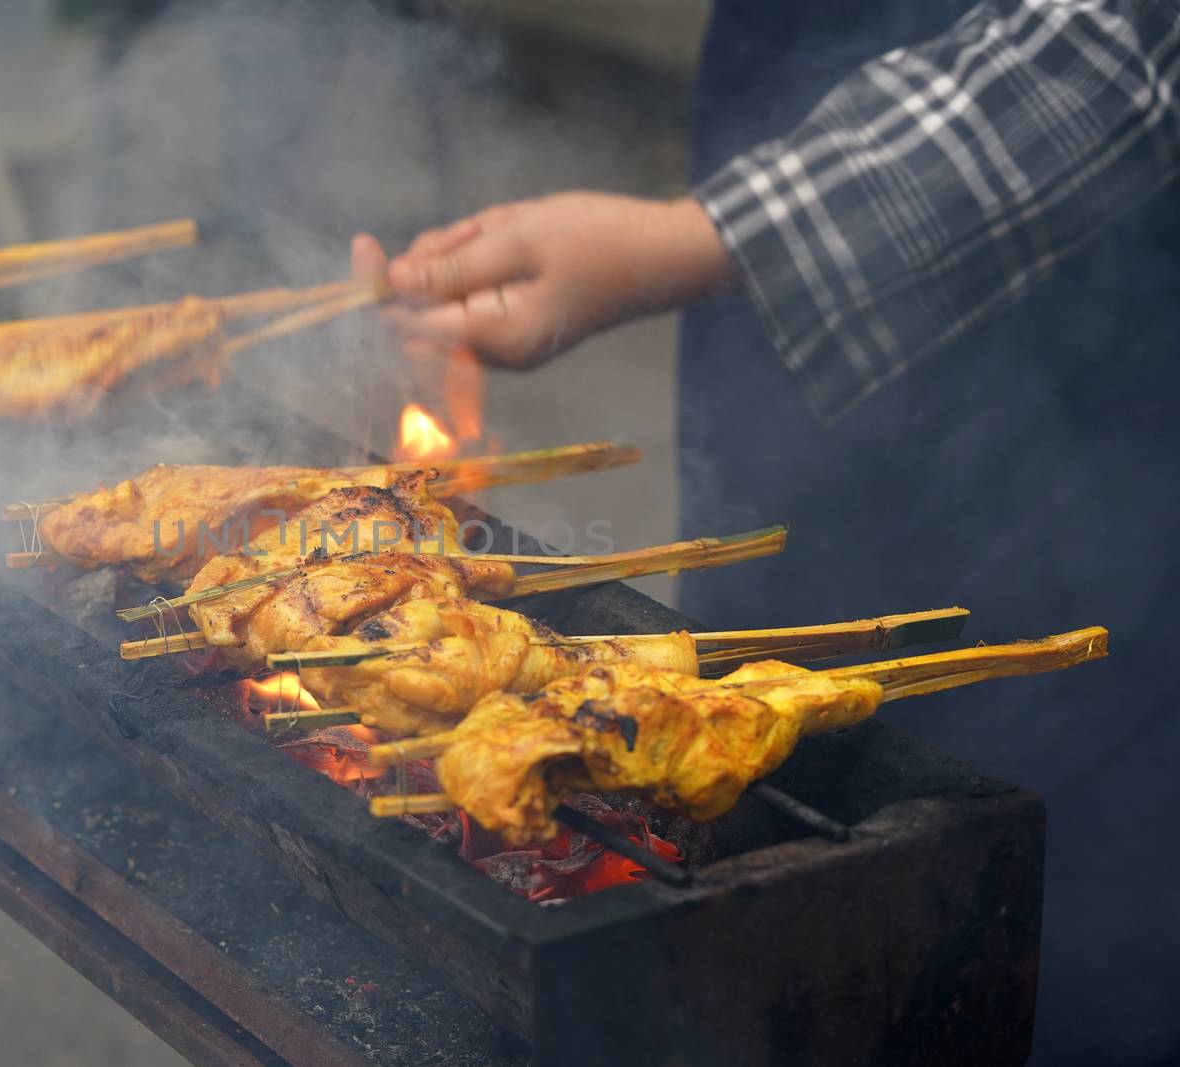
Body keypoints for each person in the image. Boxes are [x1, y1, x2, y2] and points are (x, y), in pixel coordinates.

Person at [353, 1, 1180, 1062]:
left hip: (1066, 375)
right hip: (780, 192)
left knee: (1026, 908)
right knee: (741, 811)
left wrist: (694, 239)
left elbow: (1125, 37)